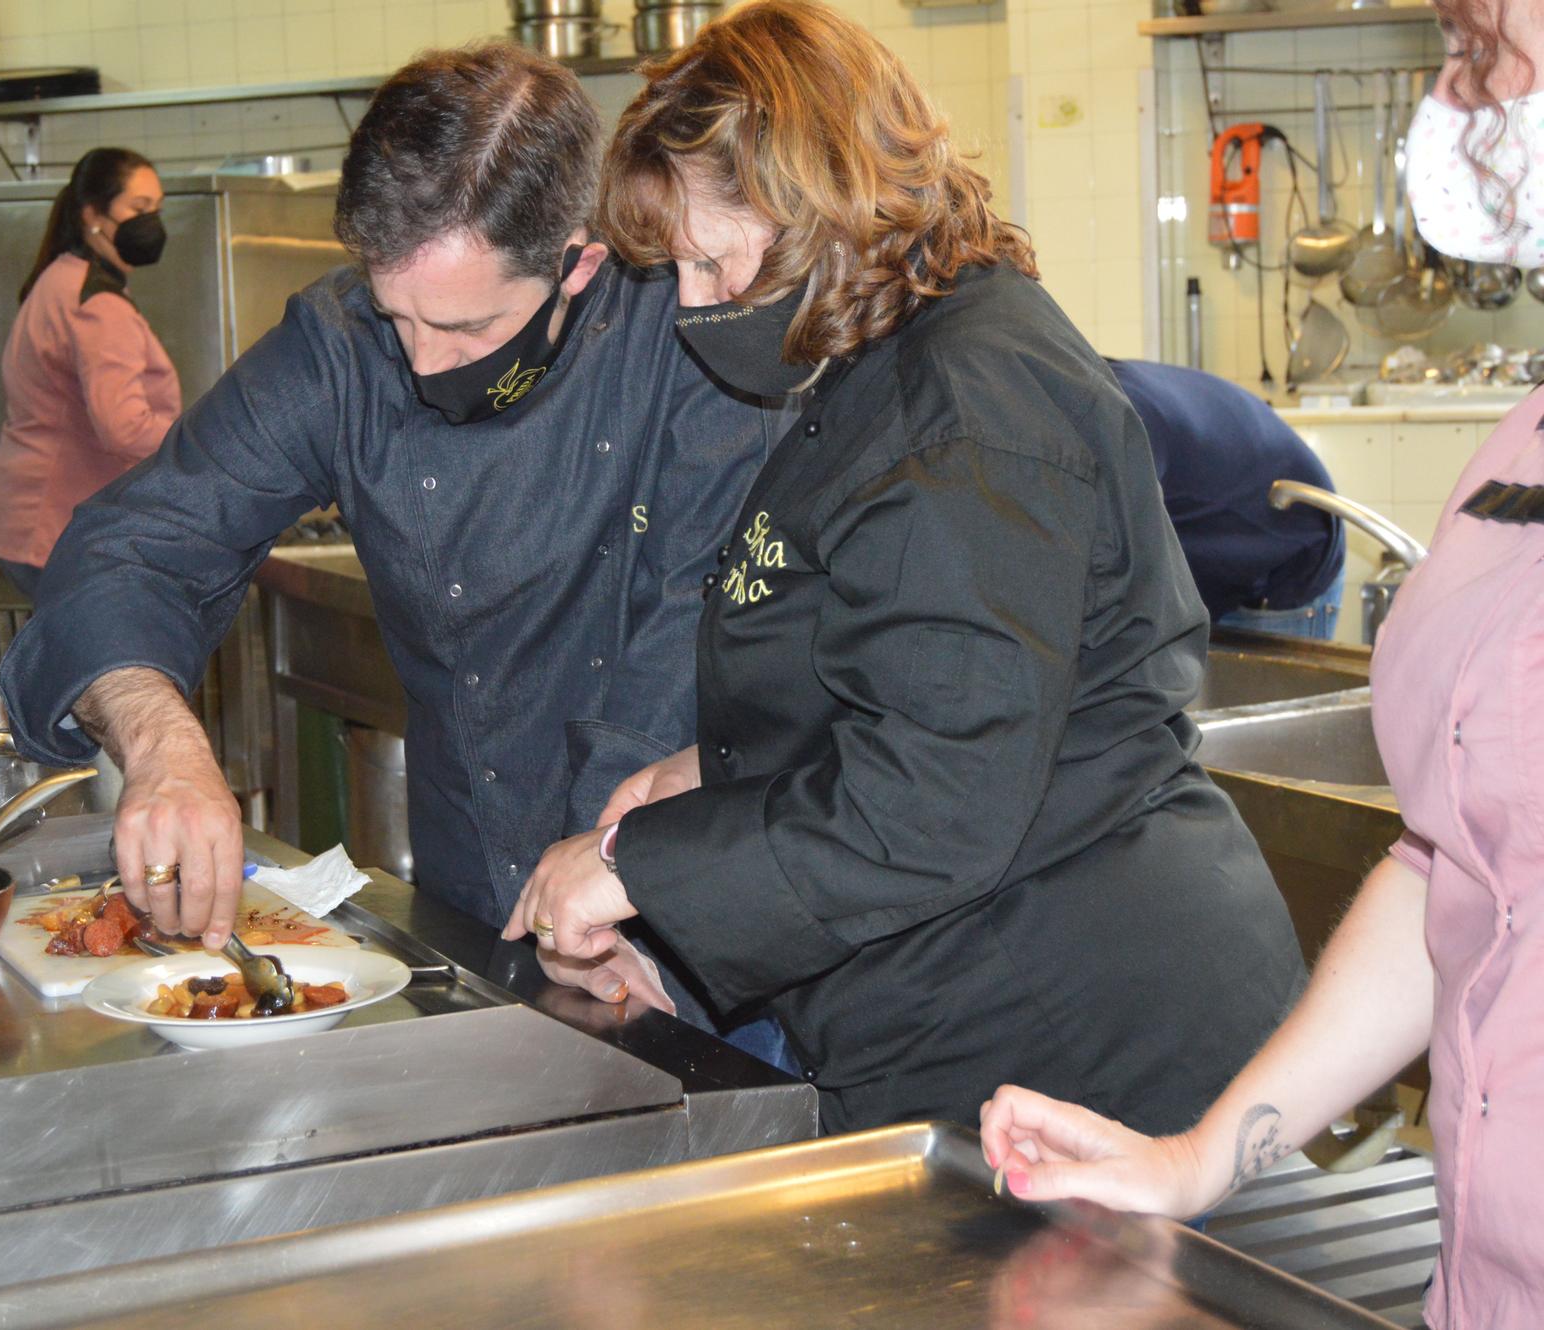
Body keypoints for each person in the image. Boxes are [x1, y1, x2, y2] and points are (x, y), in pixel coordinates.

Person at [503, 0, 1306, 1137]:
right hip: (974, 1010)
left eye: (708, 262)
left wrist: (643, 871)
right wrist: (712, 771)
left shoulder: (963, 413)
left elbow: (932, 797)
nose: (690, 305)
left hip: (1077, 1034)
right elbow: (904, 671)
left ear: (813, 205)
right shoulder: (883, 361)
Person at [0, 46, 790, 1044]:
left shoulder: (683, 336)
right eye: (394, 312)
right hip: (477, 916)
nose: (417, 362)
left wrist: (613, 878)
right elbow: (138, 540)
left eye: (460, 328)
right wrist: (158, 740)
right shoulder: (341, 348)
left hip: (689, 929)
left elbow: (679, 642)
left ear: (578, 262)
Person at [982, 3, 1544, 1324]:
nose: (1454, 95)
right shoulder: (1519, 443)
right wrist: (1200, 1153)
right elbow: (1458, 864)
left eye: (1484, 48)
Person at [0, 148, 180, 599]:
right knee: (98, 667)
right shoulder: (98, 304)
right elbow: (124, 429)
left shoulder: (61, 278)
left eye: (158, 209)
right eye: (139, 208)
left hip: (36, 520)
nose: (152, 222)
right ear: (93, 214)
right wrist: (197, 438)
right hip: (59, 526)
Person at [1109, 359, 1346, 639]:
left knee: (1254, 684)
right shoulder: (1089, 391)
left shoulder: (1118, 417)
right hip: (1220, 554)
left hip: (1286, 556)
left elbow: (1114, 561)